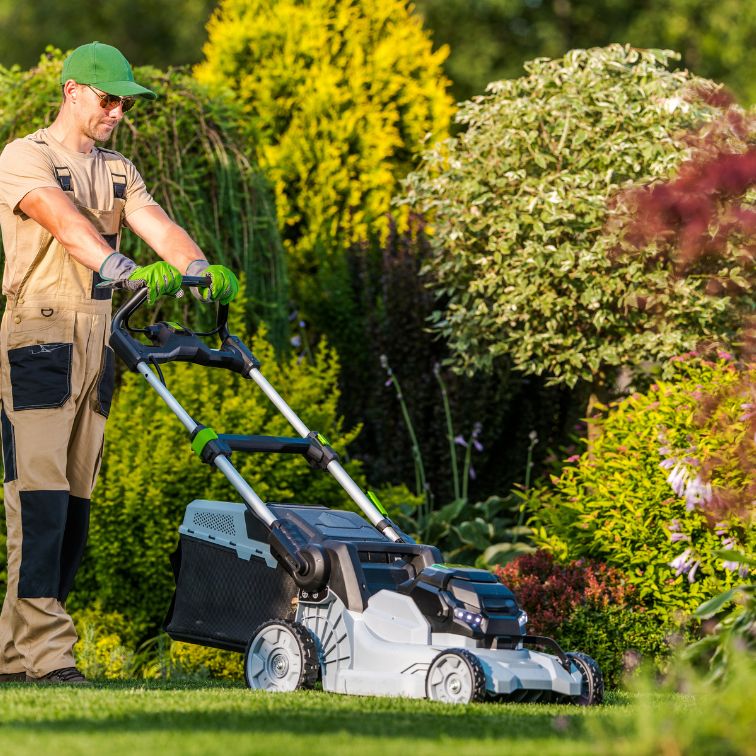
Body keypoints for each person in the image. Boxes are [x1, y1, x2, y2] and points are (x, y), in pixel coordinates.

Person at [0, 41, 239, 685]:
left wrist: (197, 269)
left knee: (72, 510)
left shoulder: (118, 168)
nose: (118, 112)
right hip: (39, 342)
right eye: (109, 99)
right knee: (39, 502)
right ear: (73, 89)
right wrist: (119, 266)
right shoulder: (25, 157)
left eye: (125, 102)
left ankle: (11, 656)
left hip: (99, 344)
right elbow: (61, 219)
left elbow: (154, 221)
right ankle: (49, 657)